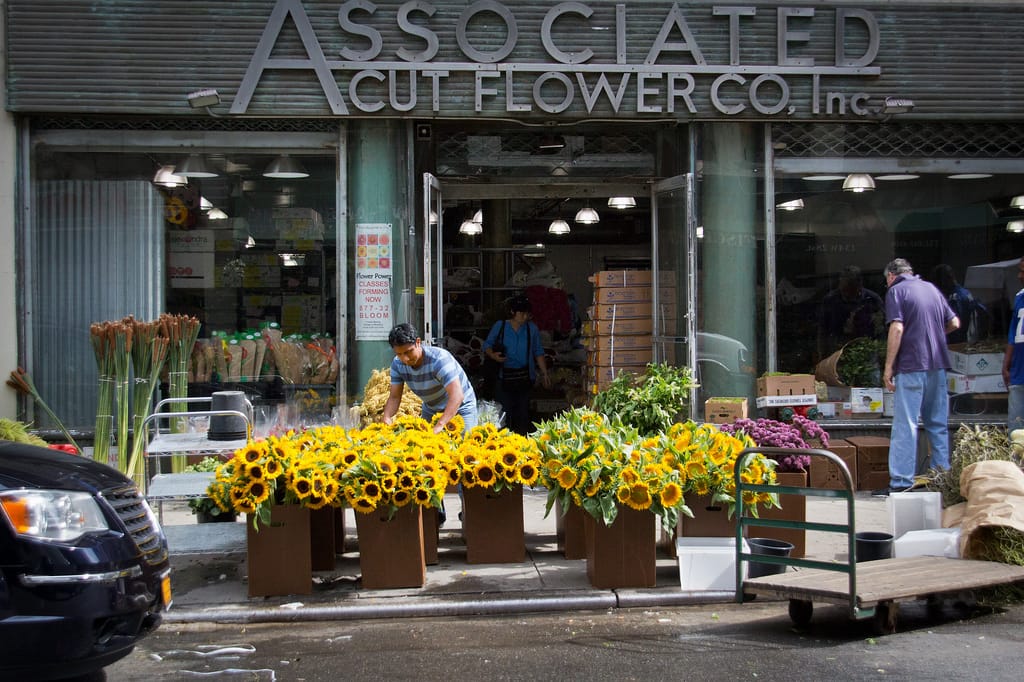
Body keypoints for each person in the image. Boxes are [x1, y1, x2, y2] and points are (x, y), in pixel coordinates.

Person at [879, 258, 960, 495]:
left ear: (891, 276)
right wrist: (933, 333)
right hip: (938, 365)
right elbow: (954, 322)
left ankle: (901, 483)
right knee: (937, 424)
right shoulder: (931, 289)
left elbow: (897, 328)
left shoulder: (897, 291)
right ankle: (941, 478)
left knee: (906, 425)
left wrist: (888, 368)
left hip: (912, 364)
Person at [381, 323, 477, 434]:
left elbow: (457, 395)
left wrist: (440, 425)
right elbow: (394, 397)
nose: (405, 358)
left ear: (418, 342)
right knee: (425, 444)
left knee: (463, 445)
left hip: (461, 407)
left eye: (408, 352)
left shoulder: (439, 360)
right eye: (399, 354)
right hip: (431, 409)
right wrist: (387, 416)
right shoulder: (397, 364)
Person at [482, 295, 550, 435]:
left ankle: (521, 442)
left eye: (527, 313)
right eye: (521, 313)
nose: (524, 316)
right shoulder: (500, 326)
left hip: (524, 378)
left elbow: (538, 351)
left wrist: (544, 373)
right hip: (503, 377)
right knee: (504, 414)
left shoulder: (532, 329)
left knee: (522, 414)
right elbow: (487, 345)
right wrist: (493, 355)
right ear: (512, 312)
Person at [817, 265, 885, 359]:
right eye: (843, 289)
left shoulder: (872, 299)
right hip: (838, 350)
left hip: (866, 349)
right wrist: (822, 354)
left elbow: (881, 329)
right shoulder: (830, 300)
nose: (846, 294)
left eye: (850, 290)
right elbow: (823, 330)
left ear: (859, 286)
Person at [931, 263, 986, 345]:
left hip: (958, 343)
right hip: (968, 341)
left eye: (937, 281)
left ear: (944, 280)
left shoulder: (955, 298)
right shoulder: (966, 292)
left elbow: (956, 324)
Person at [1002, 256, 1024, 433]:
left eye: (1023, 271)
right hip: (1018, 372)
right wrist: (1006, 364)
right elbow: (1013, 334)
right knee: (1016, 429)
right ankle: (1016, 461)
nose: (1019, 276)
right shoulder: (1019, 297)